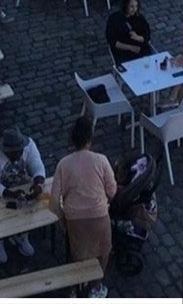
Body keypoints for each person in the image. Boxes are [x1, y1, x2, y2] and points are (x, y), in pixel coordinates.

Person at [52, 117, 117, 296]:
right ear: (90, 139)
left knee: (77, 254)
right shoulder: (101, 160)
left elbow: (54, 202)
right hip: (99, 216)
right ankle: (97, 286)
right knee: (104, 251)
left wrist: (63, 220)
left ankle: (75, 287)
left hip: (74, 218)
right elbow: (112, 190)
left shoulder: (63, 164)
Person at [0, 127, 46, 264]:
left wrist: (38, 183)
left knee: (29, 209)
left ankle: (21, 234)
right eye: (14, 153)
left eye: (20, 151)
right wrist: (10, 193)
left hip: (21, 185)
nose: (18, 155)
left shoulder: (30, 146)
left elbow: (37, 165)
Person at [105, 0, 152, 66]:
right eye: (132, 6)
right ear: (126, 6)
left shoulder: (139, 18)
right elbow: (112, 42)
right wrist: (131, 48)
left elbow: (147, 35)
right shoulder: (114, 20)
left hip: (140, 49)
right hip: (123, 51)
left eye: (136, 6)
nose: (134, 9)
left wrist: (138, 38)